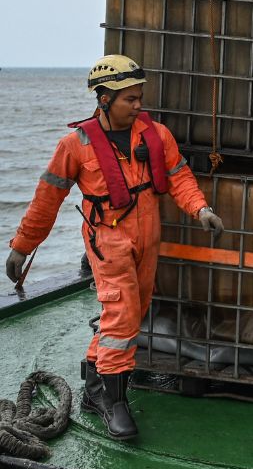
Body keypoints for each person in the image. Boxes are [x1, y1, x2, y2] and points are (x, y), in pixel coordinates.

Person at [5, 55, 222, 441]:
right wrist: (22, 247)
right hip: (109, 240)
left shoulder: (156, 135)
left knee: (130, 312)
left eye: (139, 97)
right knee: (122, 317)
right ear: (104, 99)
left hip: (147, 234)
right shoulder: (75, 145)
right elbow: (46, 200)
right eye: (130, 99)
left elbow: (179, 176)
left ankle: (93, 386)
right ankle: (114, 402)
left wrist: (200, 209)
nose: (138, 105)